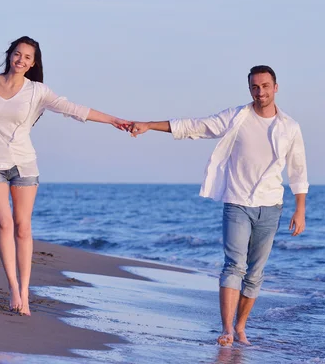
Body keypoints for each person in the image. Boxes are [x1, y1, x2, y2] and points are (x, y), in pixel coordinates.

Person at [129, 65, 308, 346]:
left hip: (271, 206)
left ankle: (240, 327)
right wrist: (150, 125)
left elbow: (298, 170)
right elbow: (196, 127)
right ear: (249, 89)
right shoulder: (237, 117)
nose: (260, 92)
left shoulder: (290, 127)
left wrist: (300, 209)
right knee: (233, 266)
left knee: (255, 273)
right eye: (254, 87)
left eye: (265, 86)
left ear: (276, 87)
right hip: (237, 202)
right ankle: (226, 330)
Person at [0, 36, 130, 316]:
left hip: (24, 164)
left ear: (33, 63)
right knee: (4, 223)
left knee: (23, 227)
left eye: (27, 57)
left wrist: (114, 120)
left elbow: (74, 109)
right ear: (10, 55)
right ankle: (13, 288)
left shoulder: (37, 91)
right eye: (18, 54)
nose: (21, 60)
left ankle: (25, 292)